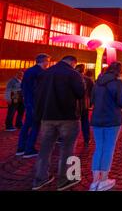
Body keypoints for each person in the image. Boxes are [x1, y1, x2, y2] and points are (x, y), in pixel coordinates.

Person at [32, 55, 85, 191]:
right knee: (68, 148)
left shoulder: (45, 73)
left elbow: (37, 94)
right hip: (67, 116)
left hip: (47, 116)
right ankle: (65, 179)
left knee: (45, 148)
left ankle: (40, 179)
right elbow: (80, 93)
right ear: (73, 62)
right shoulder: (73, 74)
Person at [90, 62, 122, 191]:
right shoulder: (118, 83)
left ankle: (95, 181)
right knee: (109, 148)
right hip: (112, 119)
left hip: (96, 118)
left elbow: (92, 100)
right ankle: (104, 180)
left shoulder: (98, 82)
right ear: (120, 71)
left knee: (99, 148)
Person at [17, 53, 50, 158]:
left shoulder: (28, 71)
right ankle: (29, 149)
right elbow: (41, 89)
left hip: (28, 101)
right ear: (44, 61)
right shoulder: (41, 73)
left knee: (26, 125)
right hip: (36, 103)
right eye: (47, 61)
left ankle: (21, 147)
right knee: (35, 125)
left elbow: (23, 86)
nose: (48, 64)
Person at [75, 64, 94, 146]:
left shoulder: (72, 78)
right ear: (84, 70)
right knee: (85, 121)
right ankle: (87, 138)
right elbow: (92, 92)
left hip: (74, 105)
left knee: (72, 122)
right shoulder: (88, 80)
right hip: (84, 104)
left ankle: (70, 139)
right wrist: (91, 102)